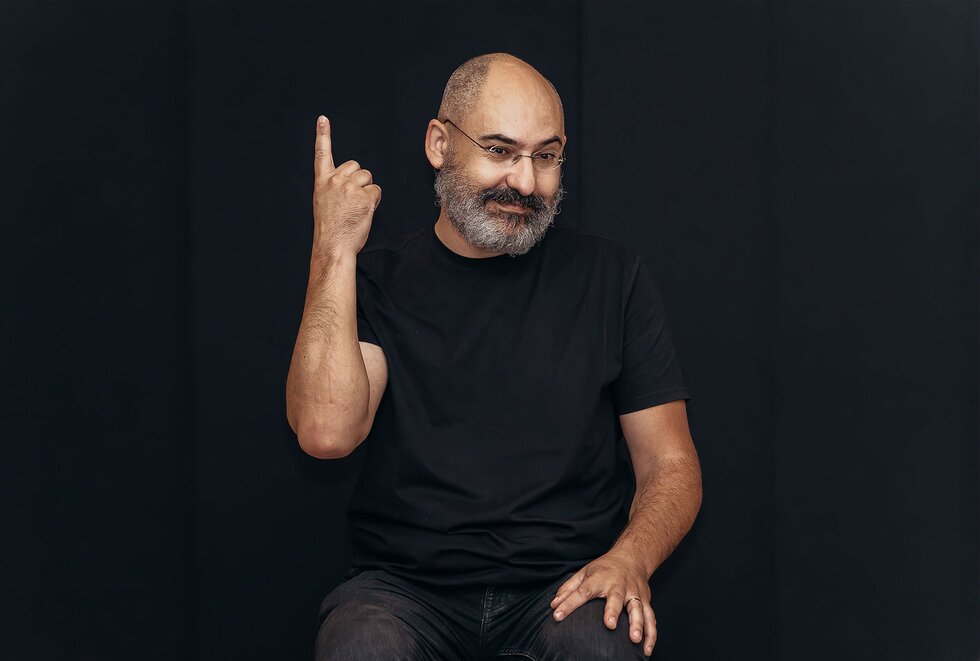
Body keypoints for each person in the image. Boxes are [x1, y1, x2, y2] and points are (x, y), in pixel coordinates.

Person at [286, 52, 703, 660]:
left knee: (604, 644)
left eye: (546, 156)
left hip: (565, 586)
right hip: (404, 590)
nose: (526, 183)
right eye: (501, 151)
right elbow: (326, 433)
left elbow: (671, 464)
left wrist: (630, 558)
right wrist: (333, 249)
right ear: (439, 144)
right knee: (361, 647)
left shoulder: (614, 279)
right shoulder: (377, 281)